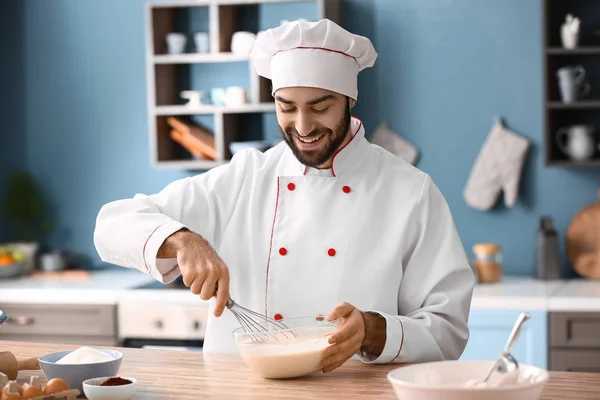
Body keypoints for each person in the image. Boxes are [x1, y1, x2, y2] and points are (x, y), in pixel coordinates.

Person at [94, 18, 475, 373]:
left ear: (350, 100)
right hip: (240, 390)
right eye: (287, 107)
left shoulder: (410, 191)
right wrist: (180, 239)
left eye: (320, 106)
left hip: (352, 392)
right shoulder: (245, 176)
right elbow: (112, 224)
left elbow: (447, 329)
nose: (303, 126)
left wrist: (373, 331)